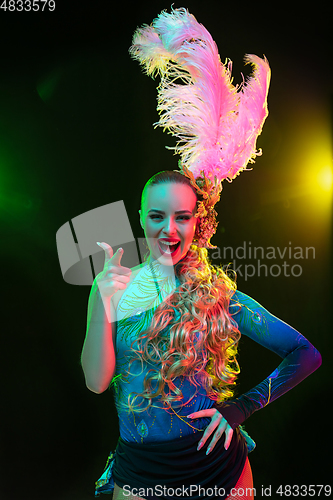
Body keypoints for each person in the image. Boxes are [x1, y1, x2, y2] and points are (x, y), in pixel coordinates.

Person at [80, 8, 322, 500]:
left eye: (181, 217)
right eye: (156, 216)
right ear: (142, 218)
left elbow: (306, 354)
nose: (168, 229)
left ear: (198, 222)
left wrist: (241, 409)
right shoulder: (116, 285)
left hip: (220, 473)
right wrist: (99, 303)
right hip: (143, 474)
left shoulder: (221, 296)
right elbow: (96, 382)